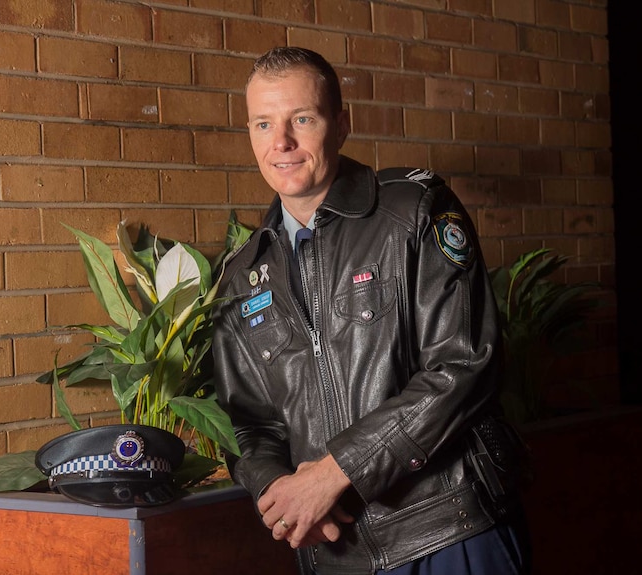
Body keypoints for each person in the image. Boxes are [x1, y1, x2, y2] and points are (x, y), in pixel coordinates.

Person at [212, 46, 531, 575]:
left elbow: (462, 368)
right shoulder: (243, 275)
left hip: (448, 530)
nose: (281, 142)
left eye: (302, 119)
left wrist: (334, 473)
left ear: (341, 125)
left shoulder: (413, 213)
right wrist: (279, 492)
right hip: (337, 551)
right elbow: (250, 426)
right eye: (263, 123)